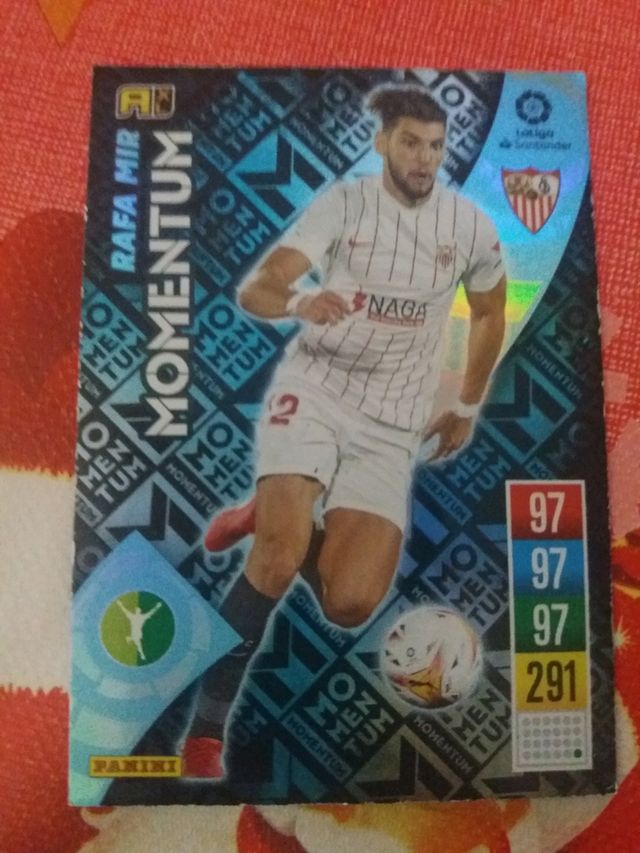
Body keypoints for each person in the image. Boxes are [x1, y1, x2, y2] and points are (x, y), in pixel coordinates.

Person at [180, 84, 506, 778]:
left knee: (349, 603)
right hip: (317, 391)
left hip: (393, 422)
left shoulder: (469, 226)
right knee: (276, 559)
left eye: (436, 146)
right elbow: (256, 289)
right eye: (411, 142)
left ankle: (272, 512)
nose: (425, 158)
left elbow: (488, 312)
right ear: (383, 142)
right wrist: (301, 301)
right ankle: (206, 729)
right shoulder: (343, 205)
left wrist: (467, 405)